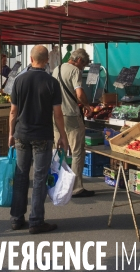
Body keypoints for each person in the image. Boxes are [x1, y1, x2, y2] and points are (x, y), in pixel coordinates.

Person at [9, 45, 68, 234]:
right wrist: (63, 136)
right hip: (42, 135)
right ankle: (36, 221)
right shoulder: (52, 83)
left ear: (31, 59)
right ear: (47, 61)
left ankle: (17, 218)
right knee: (40, 178)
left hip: (21, 134)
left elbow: (13, 112)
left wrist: (11, 133)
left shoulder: (19, 81)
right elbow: (58, 114)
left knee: (20, 176)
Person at [52, 47, 94, 198]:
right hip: (71, 115)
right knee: (77, 152)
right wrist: (87, 106)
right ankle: (76, 188)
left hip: (56, 114)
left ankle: (56, 181)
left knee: (59, 150)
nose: (83, 68)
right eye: (84, 65)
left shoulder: (57, 69)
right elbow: (79, 93)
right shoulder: (75, 71)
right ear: (79, 60)